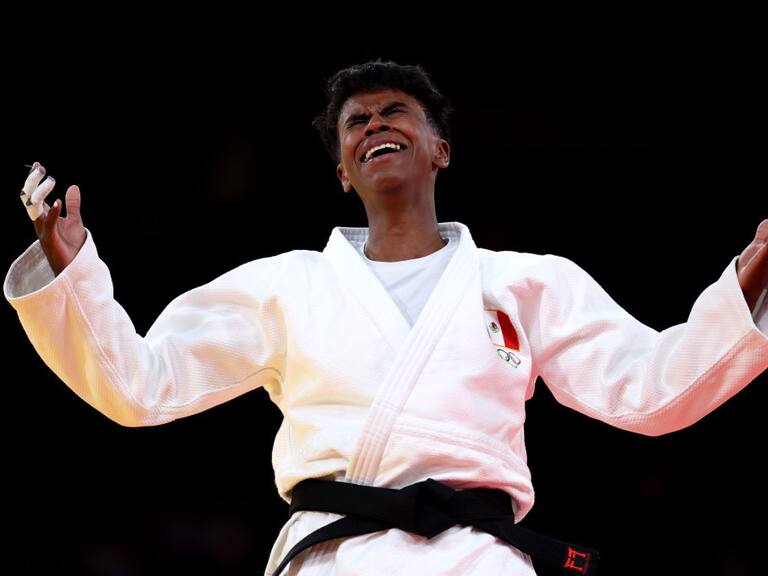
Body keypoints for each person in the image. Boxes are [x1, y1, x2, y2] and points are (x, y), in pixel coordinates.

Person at [5, 60, 768, 575]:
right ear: (343, 171)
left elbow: (653, 391)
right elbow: (141, 386)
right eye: (356, 122)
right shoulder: (287, 287)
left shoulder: (524, 282)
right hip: (336, 557)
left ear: (440, 149)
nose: (374, 124)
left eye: (394, 111)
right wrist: (74, 278)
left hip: (479, 559)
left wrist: (750, 282)